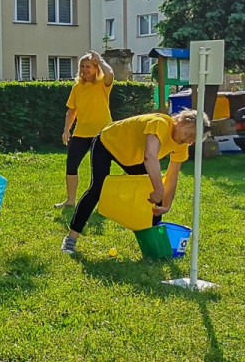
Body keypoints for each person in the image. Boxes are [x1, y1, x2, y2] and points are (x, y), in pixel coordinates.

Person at [62, 109, 206, 256]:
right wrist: (158, 189)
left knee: (156, 201)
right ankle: (71, 239)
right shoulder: (160, 123)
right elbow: (150, 156)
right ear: (181, 122)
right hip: (108, 143)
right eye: (188, 134)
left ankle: (152, 248)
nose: (188, 140)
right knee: (97, 189)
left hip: (133, 157)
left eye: (193, 139)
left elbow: (172, 176)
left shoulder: (182, 145)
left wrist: (165, 205)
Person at [56, 51, 115, 209]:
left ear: (96, 68)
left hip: (102, 133)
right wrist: (66, 130)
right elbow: (71, 111)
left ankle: (101, 201)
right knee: (71, 165)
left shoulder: (103, 84)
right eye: (82, 66)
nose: (84, 69)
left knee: (100, 169)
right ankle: (70, 200)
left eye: (88, 66)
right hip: (81, 133)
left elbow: (110, 73)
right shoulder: (77, 87)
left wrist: (100, 60)